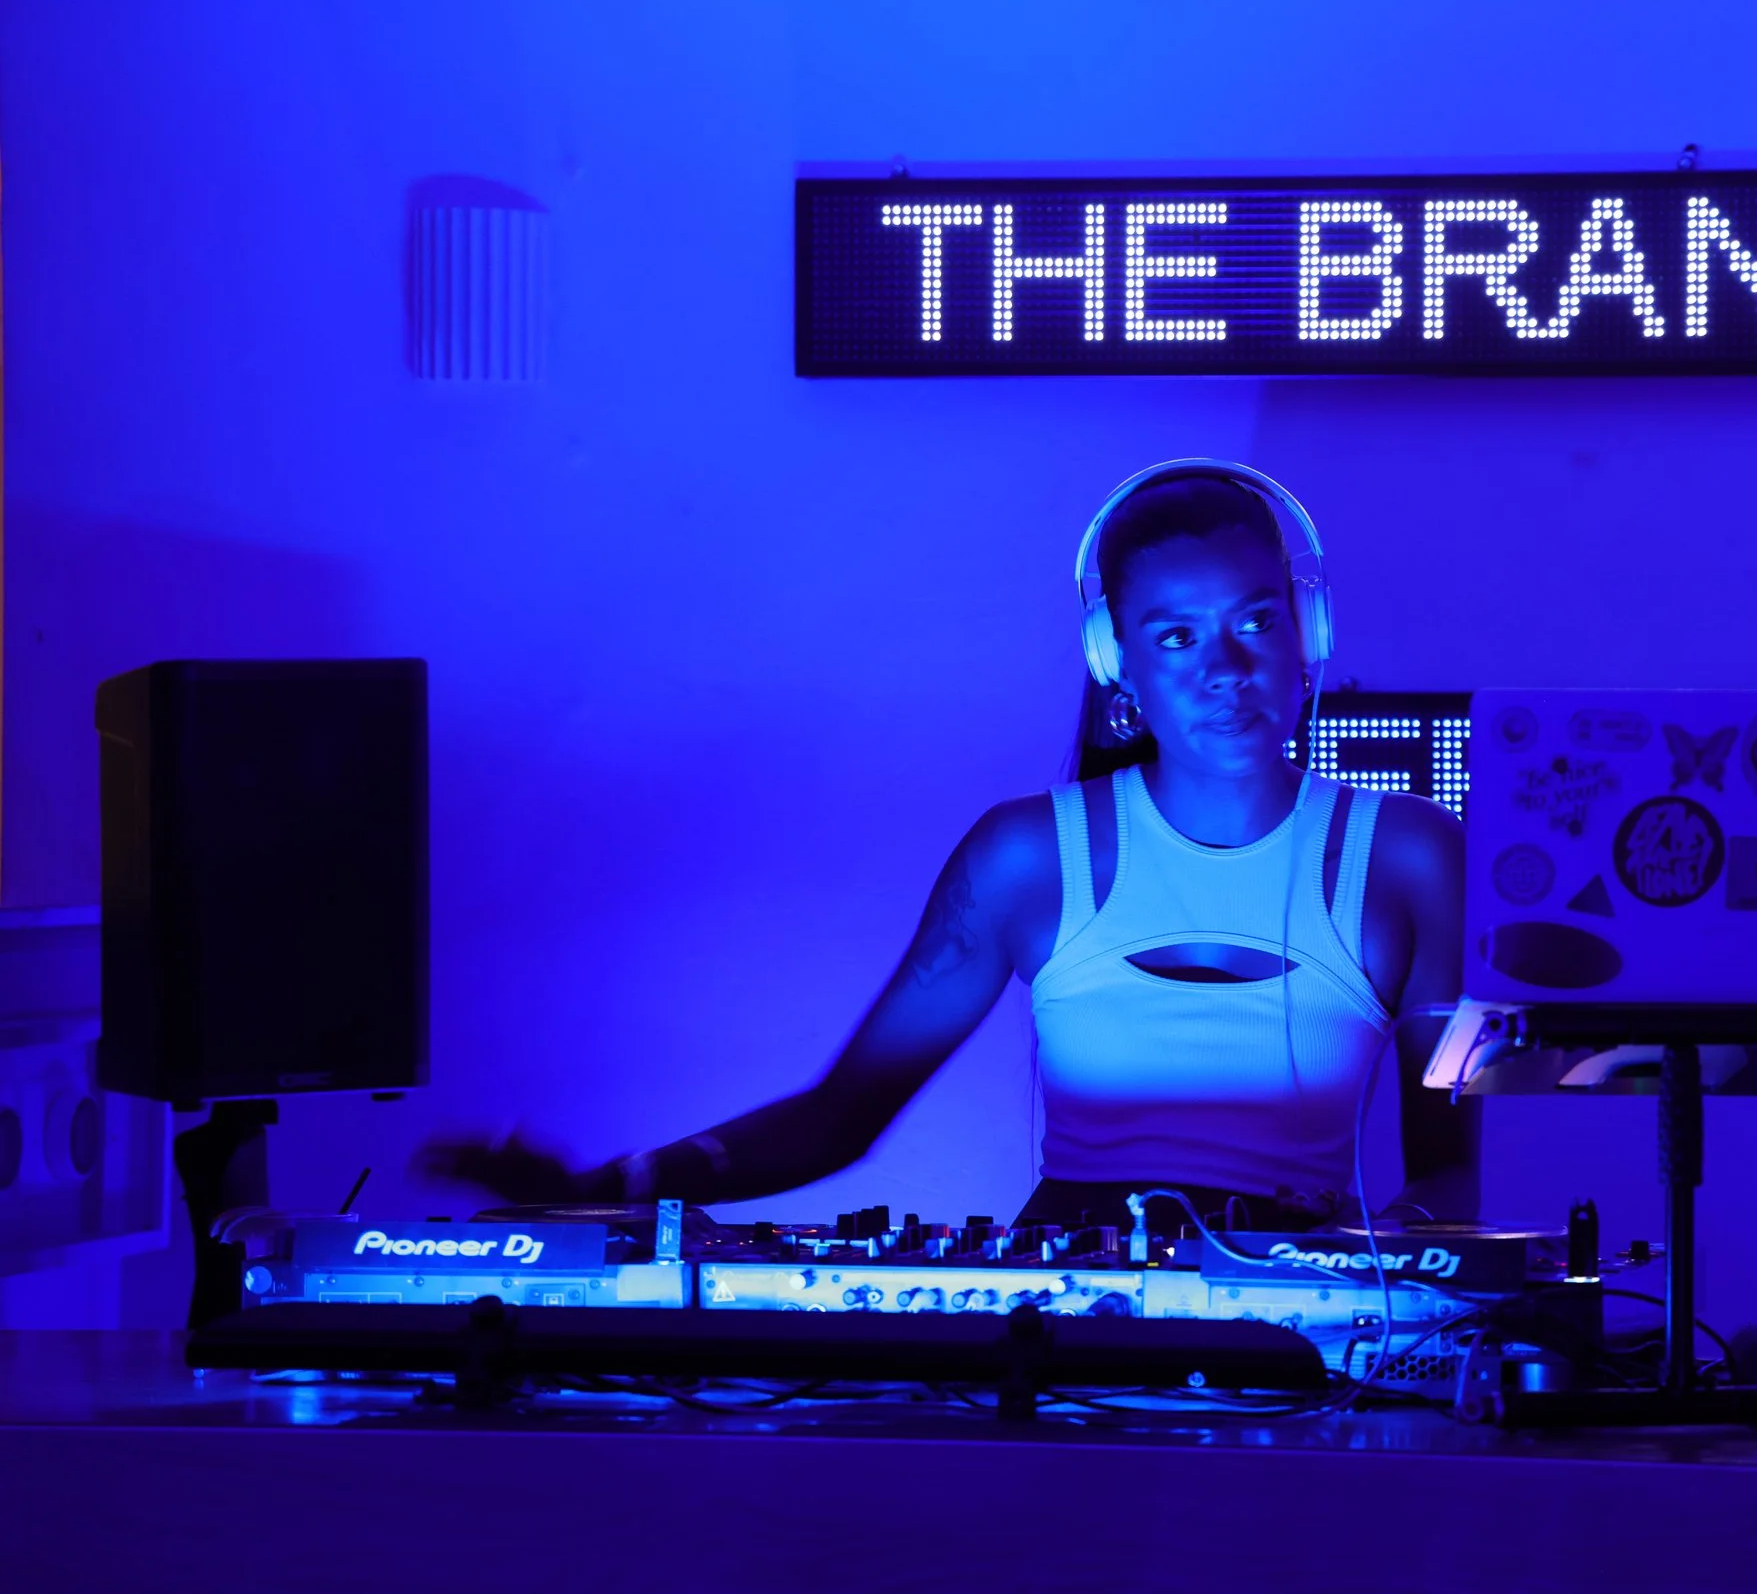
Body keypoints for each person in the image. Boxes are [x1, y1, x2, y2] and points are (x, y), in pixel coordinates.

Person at [416, 461, 1479, 1231]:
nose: (1224, 667)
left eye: (1254, 620)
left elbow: (1447, 1176)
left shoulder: (1414, 856)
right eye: (1174, 635)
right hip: (1072, 1318)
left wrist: (1366, 1272)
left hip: (1308, 1318)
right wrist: (610, 1188)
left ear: (1309, 632)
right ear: (1117, 661)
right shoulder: (1026, 857)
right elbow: (843, 1113)